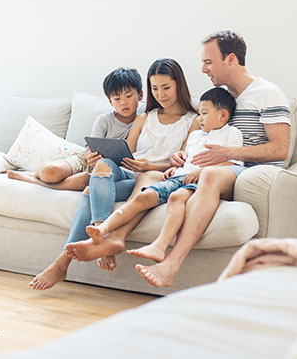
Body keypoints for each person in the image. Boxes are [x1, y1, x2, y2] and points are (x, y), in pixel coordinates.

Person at [136, 30, 291, 287]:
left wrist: (228, 154)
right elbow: (201, 138)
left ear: (230, 59)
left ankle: (171, 265)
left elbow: (279, 150)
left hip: (253, 171)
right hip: (220, 169)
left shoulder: (267, 93)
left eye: (208, 62)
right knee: (172, 184)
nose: (203, 69)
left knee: (209, 174)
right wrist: (183, 156)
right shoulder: (221, 100)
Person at [30, 58, 199, 290]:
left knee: (91, 190)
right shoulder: (144, 117)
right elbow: (125, 155)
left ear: (179, 85)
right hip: (130, 174)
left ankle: (62, 263)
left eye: (166, 87)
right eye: (155, 88)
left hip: (155, 178)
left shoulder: (194, 121)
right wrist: (108, 158)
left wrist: (150, 166)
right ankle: (100, 231)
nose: (160, 94)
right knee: (104, 165)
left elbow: (182, 165)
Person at [85, 87, 242, 264]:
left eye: (204, 113)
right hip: (178, 177)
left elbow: (234, 163)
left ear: (222, 115)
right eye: (199, 113)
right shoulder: (196, 135)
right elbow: (187, 160)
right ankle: (103, 229)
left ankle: (159, 246)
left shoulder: (232, 133)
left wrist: (201, 171)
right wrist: (174, 168)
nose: (200, 118)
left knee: (176, 198)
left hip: (196, 181)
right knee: (144, 195)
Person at [8, 68, 143, 192]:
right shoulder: (104, 120)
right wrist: (91, 157)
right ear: (110, 102)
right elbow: (90, 149)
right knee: (50, 172)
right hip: (85, 161)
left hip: (108, 172)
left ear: (140, 95)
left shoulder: (145, 121)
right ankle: (35, 174)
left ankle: (34, 181)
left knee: (85, 181)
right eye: (117, 98)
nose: (123, 103)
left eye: (129, 96)